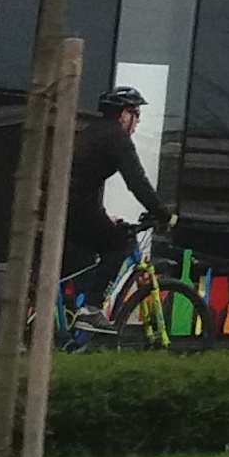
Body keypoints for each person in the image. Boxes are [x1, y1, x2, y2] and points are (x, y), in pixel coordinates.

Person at [65, 83, 168, 301]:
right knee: (118, 245)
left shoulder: (92, 132)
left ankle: (70, 307)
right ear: (123, 114)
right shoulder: (116, 138)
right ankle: (92, 307)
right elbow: (137, 181)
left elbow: (86, 183)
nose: (138, 121)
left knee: (80, 256)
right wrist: (163, 214)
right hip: (75, 208)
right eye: (136, 114)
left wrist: (102, 216)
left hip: (66, 206)